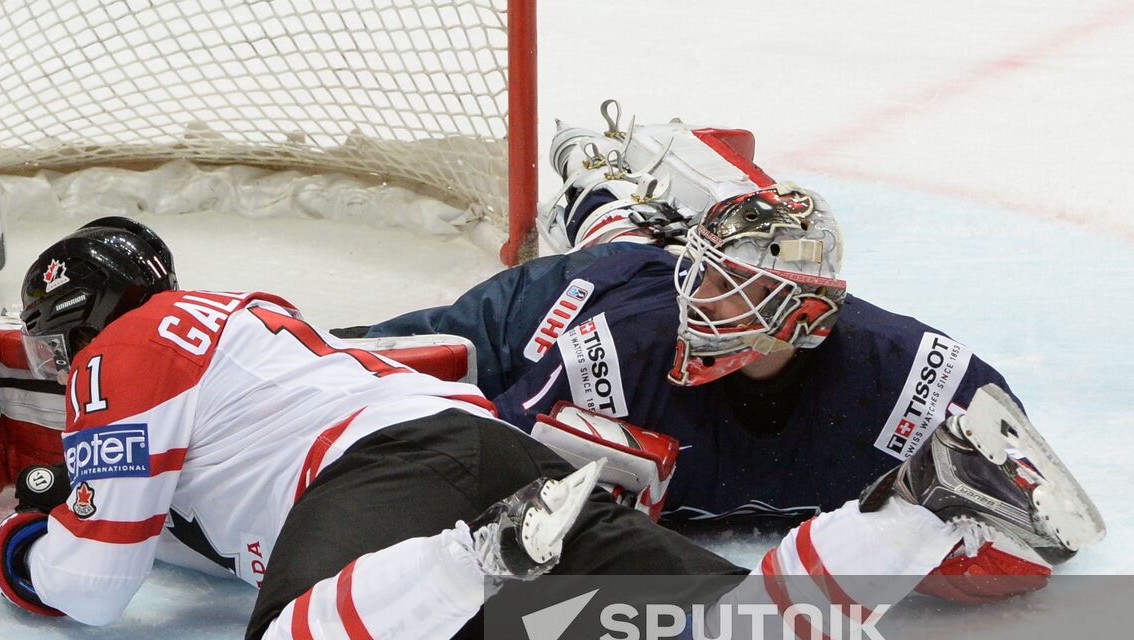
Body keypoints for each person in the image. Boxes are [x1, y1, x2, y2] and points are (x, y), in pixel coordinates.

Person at [0, 217, 1096, 640]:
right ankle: (916, 505)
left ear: (76, 321)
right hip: (487, 451)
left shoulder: (123, 352)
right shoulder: (256, 322)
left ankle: (477, 557)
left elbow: (94, 585)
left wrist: (18, 548)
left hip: (390, 480)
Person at [340, 106, 1105, 592]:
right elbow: (472, 468)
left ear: (801, 315)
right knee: (401, 365)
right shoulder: (618, 353)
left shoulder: (900, 372)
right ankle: (595, 179)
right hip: (572, 299)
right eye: (703, 276)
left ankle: (608, 183)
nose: (697, 300)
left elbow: (1046, 526)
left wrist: (944, 525)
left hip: (635, 281)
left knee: (642, 242)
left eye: (727, 288)